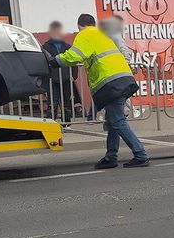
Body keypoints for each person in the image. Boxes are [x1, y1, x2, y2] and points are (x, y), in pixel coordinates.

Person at [52, 14, 150, 169]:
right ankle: (111, 156)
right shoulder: (102, 34)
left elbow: (74, 55)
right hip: (123, 78)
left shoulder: (85, 34)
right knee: (112, 121)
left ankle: (140, 154)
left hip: (110, 82)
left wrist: (56, 60)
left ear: (79, 26)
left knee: (117, 120)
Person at [41, 21, 78, 123]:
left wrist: (74, 76)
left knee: (67, 102)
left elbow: (74, 61)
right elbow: (44, 63)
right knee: (52, 103)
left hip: (66, 78)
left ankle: (66, 123)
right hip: (52, 79)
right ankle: (50, 123)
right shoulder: (45, 47)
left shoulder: (67, 46)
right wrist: (46, 77)